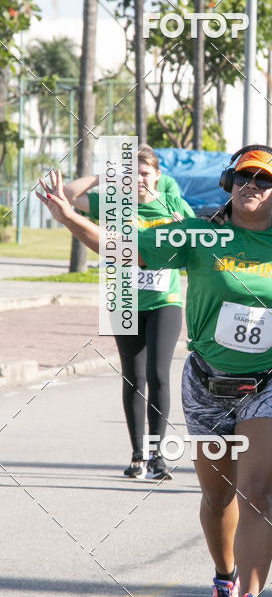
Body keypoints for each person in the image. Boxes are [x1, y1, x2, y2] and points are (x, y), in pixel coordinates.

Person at [38, 144, 272, 597]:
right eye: (244, 177)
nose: (252, 187)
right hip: (207, 382)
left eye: (264, 181)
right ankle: (224, 575)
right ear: (230, 182)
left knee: (257, 494)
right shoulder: (200, 234)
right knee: (218, 496)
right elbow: (124, 247)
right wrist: (68, 216)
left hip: (268, 382)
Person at [62, 145, 195, 480]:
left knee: (158, 374)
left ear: (158, 176)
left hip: (165, 301)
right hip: (122, 299)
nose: (138, 180)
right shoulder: (114, 205)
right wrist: (103, 176)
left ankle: (158, 456)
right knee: (133, 377)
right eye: (131, 173)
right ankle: (138, 455)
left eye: (145, 173)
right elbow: (67, 194)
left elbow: (199, 244)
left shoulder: (175, 205)